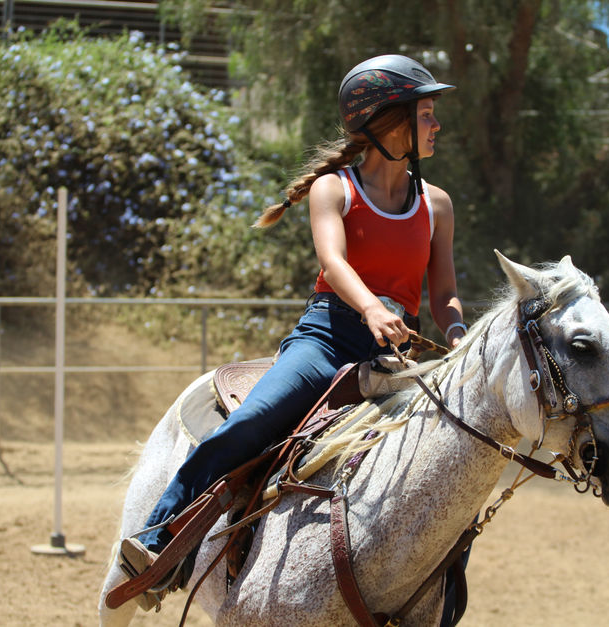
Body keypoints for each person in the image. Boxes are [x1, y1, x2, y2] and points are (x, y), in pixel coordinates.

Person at [119, 53, 468, 612]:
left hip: (399, 355)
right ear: (389, 123)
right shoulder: (335, 189)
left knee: (453, 461)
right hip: (327, 337)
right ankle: (160, 538)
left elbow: (444, 289)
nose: (436, 125)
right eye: (426, 113)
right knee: (255, 421)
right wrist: (372, 310)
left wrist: (455, 331)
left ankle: (439, 598)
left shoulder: (437, 204)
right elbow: (332, 262)